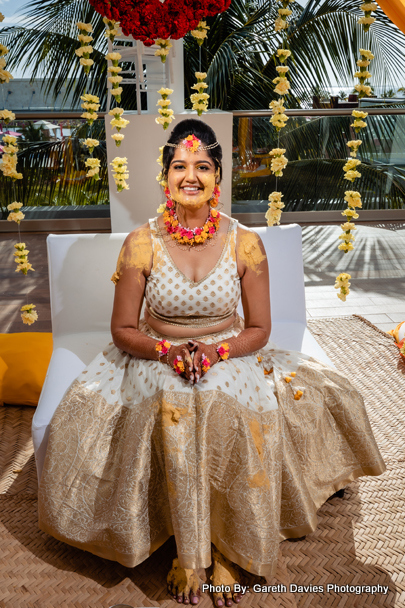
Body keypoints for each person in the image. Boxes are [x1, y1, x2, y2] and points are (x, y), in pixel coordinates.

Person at [38, 119, 386, 607]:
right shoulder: (141, 242)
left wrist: (216, 352)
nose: (190, 176)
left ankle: (226, 546)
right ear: (165, 177)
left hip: (228, 348)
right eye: (180, 166)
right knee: (175, 404)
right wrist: (168, 352)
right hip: (157, 350)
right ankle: (188, 553)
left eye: (202, 166)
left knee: (222, 405)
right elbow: (123, 329)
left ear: (218, 174)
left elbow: (259, 330)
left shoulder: (245, 242)